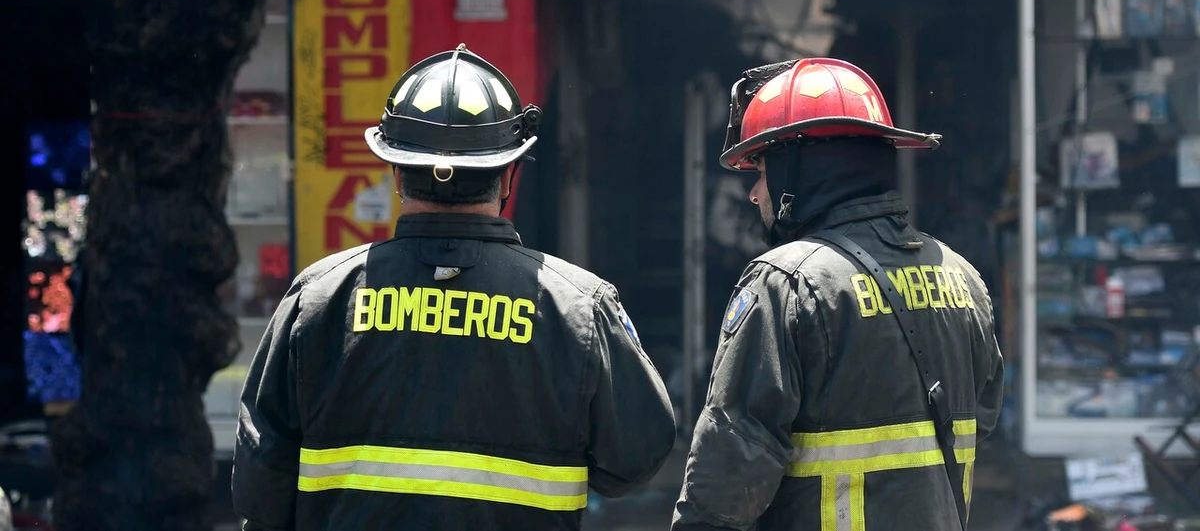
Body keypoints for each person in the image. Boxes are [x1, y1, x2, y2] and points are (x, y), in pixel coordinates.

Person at [233, 44, 677, 530]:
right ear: (509, 175)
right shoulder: (579, 308)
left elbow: (260, 488)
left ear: (398, 174)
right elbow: (635, 457)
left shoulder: (316, 299)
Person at [673, 57, 1004, 531]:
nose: (754, 194)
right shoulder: (962, 277)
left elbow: (729, 469)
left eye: (762, 170)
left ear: (798, 170)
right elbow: (982, 421)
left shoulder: (783, 283)